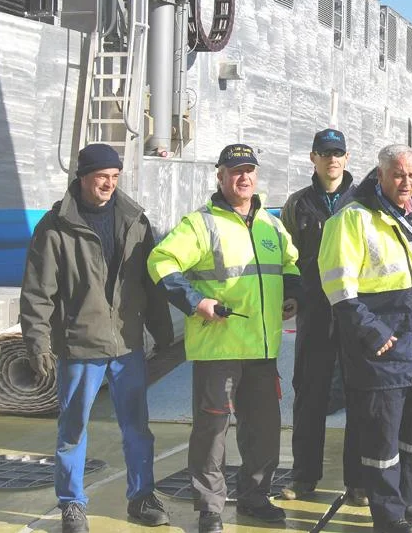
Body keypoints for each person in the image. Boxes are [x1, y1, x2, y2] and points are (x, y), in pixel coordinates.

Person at [20, 143, 173, 533]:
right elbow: (38, 293)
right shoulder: (54, 228)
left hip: (127, 345)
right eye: (101, 177)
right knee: (72, 428)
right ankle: (72, 504)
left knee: (137, 427)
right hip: (80, 345)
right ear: (83, 178)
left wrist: (163, 331)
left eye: (115, 177)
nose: (108, 184)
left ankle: (142, 497)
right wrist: (38, 344)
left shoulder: (135, 220)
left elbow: (149, 283)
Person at [147, 143, 300, 533]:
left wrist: (292, 293)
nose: (244, 177)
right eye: (235, 171)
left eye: (249, 169)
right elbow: (160, 261)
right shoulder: (201, 224)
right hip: (219, 347)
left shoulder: (270, 223)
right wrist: (195, 302)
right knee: (212, 432)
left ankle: (254, 497)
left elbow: (289, 261)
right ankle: (210, 509)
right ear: (220, 176)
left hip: (264, 349)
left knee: (264, 430)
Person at [319, 144, 412, 533]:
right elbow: (339, 290)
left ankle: (406, 500)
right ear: (379, 174)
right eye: (398, 174)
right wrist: (374, 333)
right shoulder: (353, 218)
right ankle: (388, 516)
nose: (406, 182)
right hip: (385, 350)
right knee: (383, 442)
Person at [279, 129, 367, 506]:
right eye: (325, 153)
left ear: (347, 159)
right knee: (310, 397)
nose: (333, 159)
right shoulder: (297, 204)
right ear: (312, 158)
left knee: (360, 398)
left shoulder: (364, 201)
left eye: (339, 153)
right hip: (315, 316)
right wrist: (292, 296)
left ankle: (359, 483)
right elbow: (288, 258)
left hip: (354, 314)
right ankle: (303, 477)